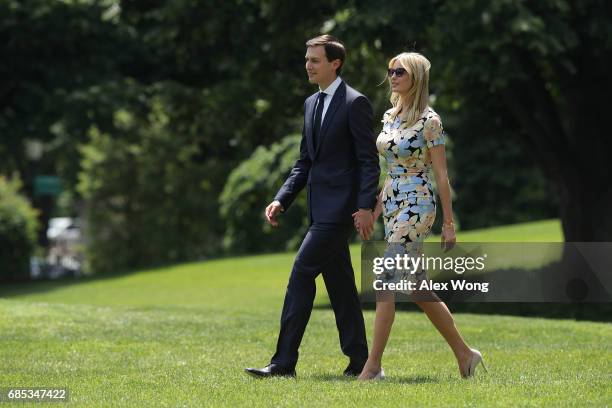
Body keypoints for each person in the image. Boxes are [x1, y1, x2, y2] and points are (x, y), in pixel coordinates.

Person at [245, 35, 380, 378]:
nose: (308, 64)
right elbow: (305, 162)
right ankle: (362, 362)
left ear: (335, 63)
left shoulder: (355, 102)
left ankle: (283, 363)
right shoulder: (310, 104)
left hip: (341, 212)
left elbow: (368, 161)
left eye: (315, 60)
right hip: (317, 209)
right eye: (307, 59)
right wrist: (281, 198)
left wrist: (366, 207)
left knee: (301, 273)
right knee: (341, 287)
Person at [354, 52, 487, 381]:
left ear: (417, 78)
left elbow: (442, 175)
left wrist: (449, 222)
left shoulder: (430, 120)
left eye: (400, 71)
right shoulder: (389, 116)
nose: (393, 76)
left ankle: (372, 367)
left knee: (385, 280)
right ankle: (466, 354)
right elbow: (391, 171)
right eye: (391, 71)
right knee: (417, 288)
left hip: (418, 206)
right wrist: (375, 209)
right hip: (394, 204)